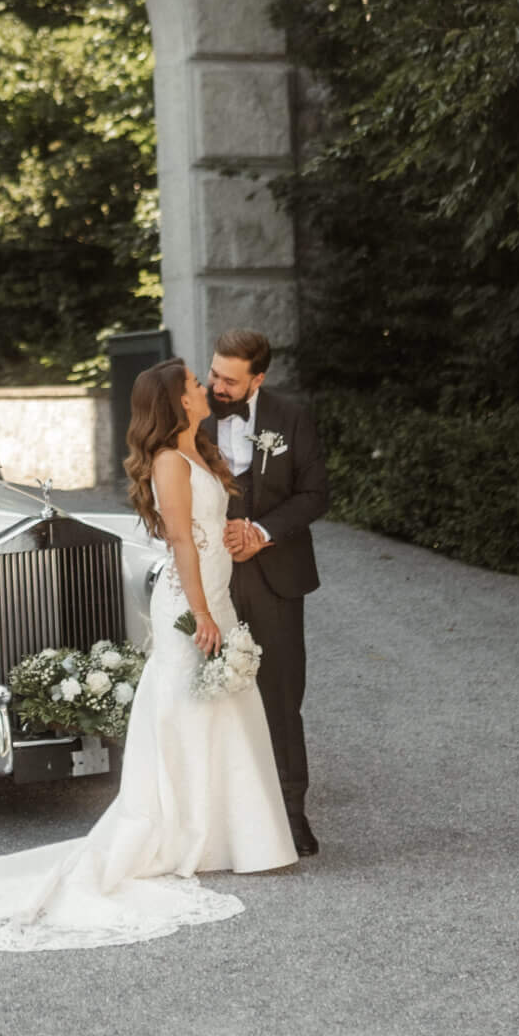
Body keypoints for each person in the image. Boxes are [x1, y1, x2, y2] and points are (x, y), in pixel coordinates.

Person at [0, 356, 294, 951]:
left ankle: (231, 833)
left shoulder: (201, 451)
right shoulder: (171, 461)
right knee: (188, 700)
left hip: (218, 590)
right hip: (192, 598)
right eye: (195, 385)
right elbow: (179, 543)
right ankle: (187, 831)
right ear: (176, 402)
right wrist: (200, 612)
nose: (202, 388)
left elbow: (208, 529)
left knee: (222, 701)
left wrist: (238, 540)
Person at [201, 327, 328, 857]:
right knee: (212, 690)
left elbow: (315, 493)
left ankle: (291, 815)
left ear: (259, 378)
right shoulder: (194, 417)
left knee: (279, 694)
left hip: (276, 573)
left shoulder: (291, 416)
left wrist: (261, 532)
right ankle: (223, 817)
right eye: (214, 374)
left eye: (230, 379)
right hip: (214, 574)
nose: (217, 386)